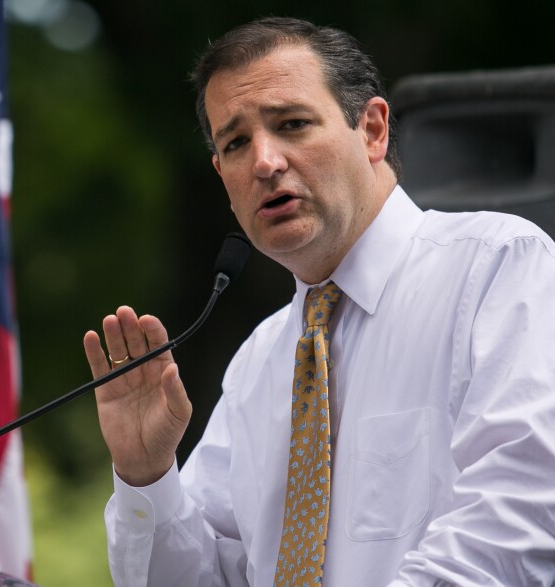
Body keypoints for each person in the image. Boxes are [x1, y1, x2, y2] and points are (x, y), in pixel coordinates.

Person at [82, 16, 555, 587]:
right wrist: (146, 474)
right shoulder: (258, 360)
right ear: (223, 177)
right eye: (236, 143)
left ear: (373, 130)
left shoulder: (499, 266)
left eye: (293, 124)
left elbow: (521, 511)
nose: (264, 162)